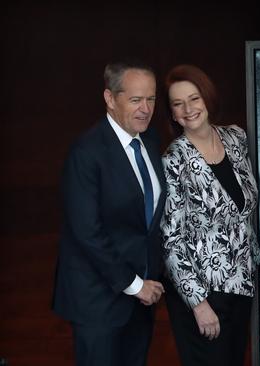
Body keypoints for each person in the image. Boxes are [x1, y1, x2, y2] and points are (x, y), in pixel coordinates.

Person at [52, 61, 166, 366]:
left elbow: (148, 223)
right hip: (98, 301)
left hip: (141, 302)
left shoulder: (151, 141)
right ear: (110, 98)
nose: (145, 108)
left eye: (151, 99)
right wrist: (135, 284)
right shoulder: (86, 152)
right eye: (135, 99)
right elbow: (87, 232)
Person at [160, 64, 260, 366]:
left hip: (242, 284)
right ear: (173, 114)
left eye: (193, 98)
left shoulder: (236, 138)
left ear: (207, 98)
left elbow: (247, 212)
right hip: (203, 294)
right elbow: (170, 241)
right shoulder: (173, 160)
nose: (188, 109)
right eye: (178, 104)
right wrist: (199, 304)